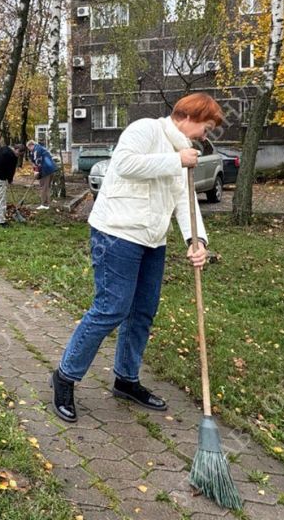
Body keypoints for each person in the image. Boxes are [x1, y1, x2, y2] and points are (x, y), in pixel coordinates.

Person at [49, 93, 223, 423]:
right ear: (188, 116)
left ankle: (126, 380)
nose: (205, 135)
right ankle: (65, 377)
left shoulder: (184, 153)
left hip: (152, 241)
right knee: (111, 308)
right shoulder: (146, 130)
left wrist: (196, 239)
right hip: (116, 234)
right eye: (206, 126)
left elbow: (185, 200)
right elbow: (125, 165)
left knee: (142, 312)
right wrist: (176, 161)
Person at [0, 143, 25, 226]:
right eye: (19, 154)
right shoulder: (12, 156)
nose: (18, 156)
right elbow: (11, 171)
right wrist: (10, 180)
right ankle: (1, 221)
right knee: (0, 200)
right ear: (17, 150)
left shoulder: (1, 148)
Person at [26, 139, 57, 210]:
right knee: (47, 187)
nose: (30, 150)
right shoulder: (42, 148)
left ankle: (44, 204)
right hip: (51, 169)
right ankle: (47, 204)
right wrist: (35, 169)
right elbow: (35, 162)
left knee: (43, 187)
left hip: (45, 170)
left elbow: (38, 161)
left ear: (31, 145)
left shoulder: (36, 150)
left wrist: (36, 171)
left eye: (29, 148)